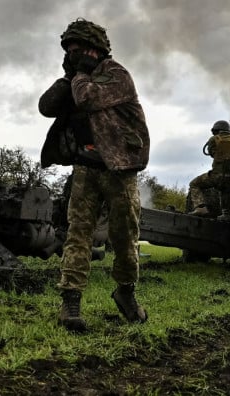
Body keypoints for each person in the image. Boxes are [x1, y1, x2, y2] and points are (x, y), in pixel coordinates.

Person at [39, 18, 150, 331]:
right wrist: (67, 77)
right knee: (78, 234)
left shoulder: (116, 75)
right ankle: (70, 304)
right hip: (85, 168)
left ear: (96, 50)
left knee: (125, 237)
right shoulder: (76, 79)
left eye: (79, 49)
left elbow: (88, 98)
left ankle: (126, 292)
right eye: (69, 50)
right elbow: (46, 107)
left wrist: (82, 74)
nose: (74, 55)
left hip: (119, 170)